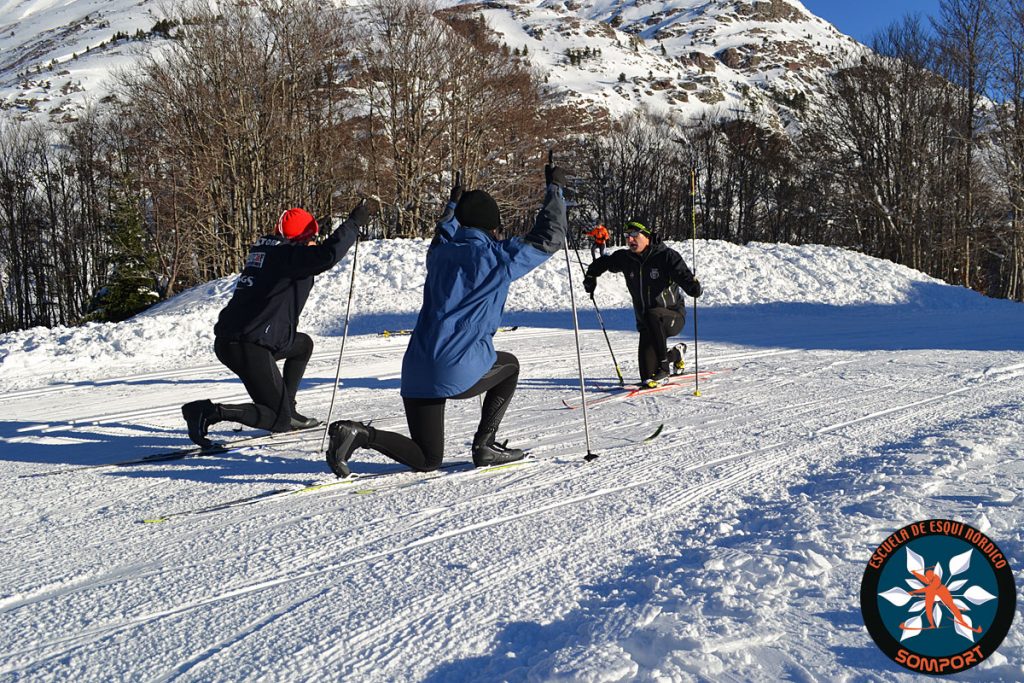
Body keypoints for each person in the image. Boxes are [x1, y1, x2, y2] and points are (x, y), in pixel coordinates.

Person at [324, 164, 568, 477]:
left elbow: (443, 231)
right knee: (510, 366)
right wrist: (555, 191)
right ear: (493, 226)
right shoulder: (498, 258)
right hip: (456, 369)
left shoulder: (438, 255)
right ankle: (485, 446)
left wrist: (454, 205)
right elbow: (549, 236)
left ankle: (358, 434)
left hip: (416, 367)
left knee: (428, 458)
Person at [181, 200, 377, 448]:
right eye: (312, 235)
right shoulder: (286, 255)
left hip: (248, 338)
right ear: (301, 238)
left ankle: (289, 409)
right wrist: (353, 224)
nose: (315, 239)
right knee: (277, 420)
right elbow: (327, 255)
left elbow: (312, 256)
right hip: (248, 346)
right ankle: (208, 412)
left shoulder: (271, 251)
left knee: (302, 344)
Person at [583, 220, 701, 388]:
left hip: (671, 316)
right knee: (647, 375)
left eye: (634, 235)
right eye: (627, 236)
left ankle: (664, 369)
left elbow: (683, 275)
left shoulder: (665, 256)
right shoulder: (626, 258)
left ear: (647, 236)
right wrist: (590, 277)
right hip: (647, 323)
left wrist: (693, 286)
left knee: (653, 314)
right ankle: (676, 354)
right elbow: (603, 263)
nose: (630, 240)